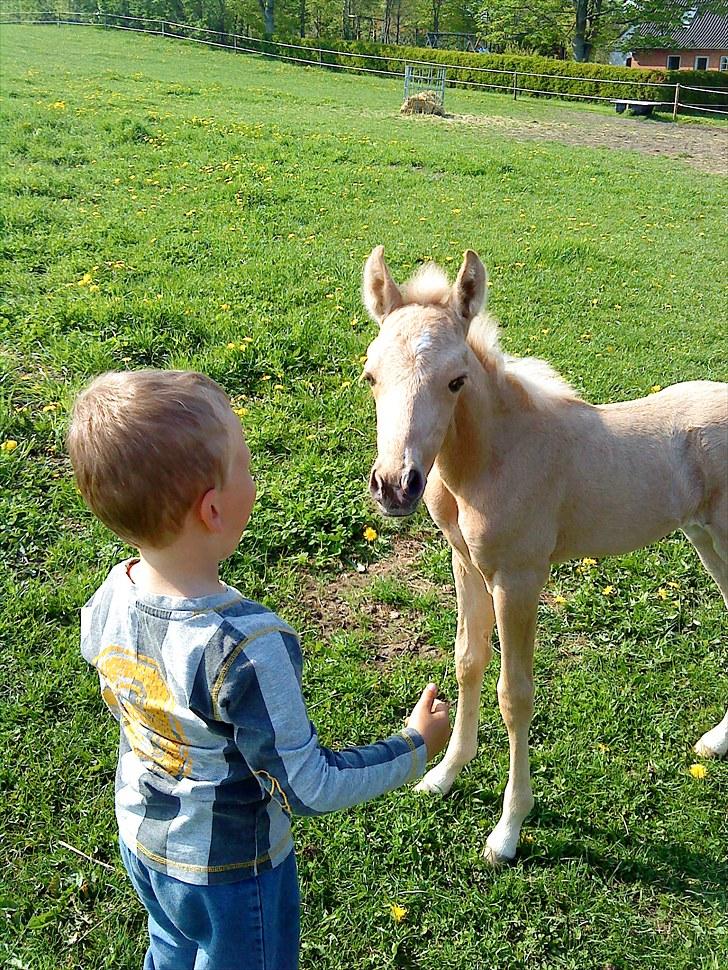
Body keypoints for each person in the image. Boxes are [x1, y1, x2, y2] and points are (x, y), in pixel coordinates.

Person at [67, 369, 451, 970]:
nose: (256, 475)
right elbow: (309, 786)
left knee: (170, 947)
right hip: (231, 873)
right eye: (246, 464)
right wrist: (412, 747)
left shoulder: (109, 597)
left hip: (142, 839)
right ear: (214, 510)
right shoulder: (247, 646)